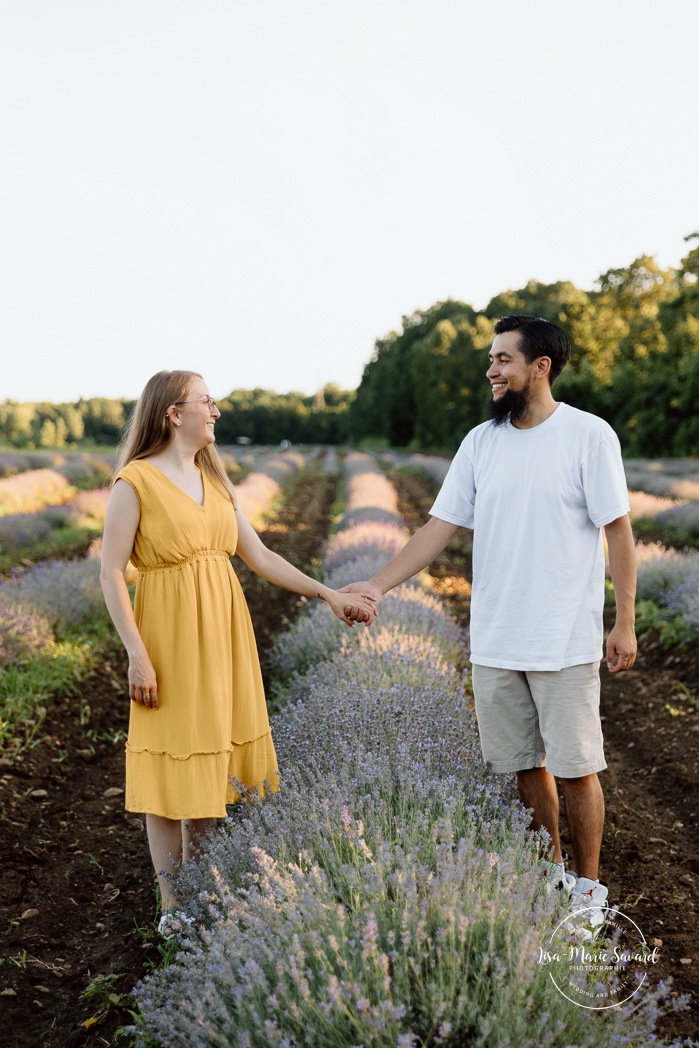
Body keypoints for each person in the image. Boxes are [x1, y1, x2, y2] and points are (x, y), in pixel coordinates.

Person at [341, 315, 637, 936]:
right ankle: (550, 872)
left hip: (563, 637)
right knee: (523, 764)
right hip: (497, 637)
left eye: (503, 359)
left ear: (540, 367)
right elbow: (437, 529)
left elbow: (619, 531)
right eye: (491, 360)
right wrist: (376, 584)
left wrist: (625, 620)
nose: (492, 371)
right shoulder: (481, 442)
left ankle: (589, 886)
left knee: (578, 766)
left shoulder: (588, 436)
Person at [100, 370, 376, 935]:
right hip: (169, 636)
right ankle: (172, 904)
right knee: (169, 759)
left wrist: (327, 593)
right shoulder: (135, 483)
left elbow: (260, 555)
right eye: (207, 401)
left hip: (223, 633)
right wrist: (137, 655)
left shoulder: (215, 481)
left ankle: (200, 889)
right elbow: (109, 574)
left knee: (211, 759)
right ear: (174, 413)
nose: (216, 411)